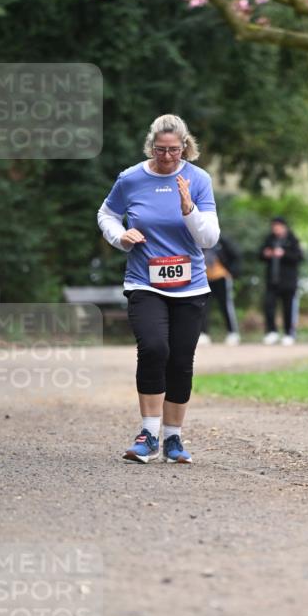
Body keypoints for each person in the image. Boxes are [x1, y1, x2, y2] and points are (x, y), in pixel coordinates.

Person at [97, 114, 219, 464]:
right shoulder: (131, 178)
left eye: (175, 151)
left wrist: (189, 210)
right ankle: (148, 434)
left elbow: (210, 238)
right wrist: (120, 236)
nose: (167, 157)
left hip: (190, 286)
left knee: (181, 360)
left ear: (186, 147)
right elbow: (105, 214)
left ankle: (174, 439)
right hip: (144, 281)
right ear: (151, 146)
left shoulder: (198, 180)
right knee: (153, 348)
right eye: (160, 149)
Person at [260, 216, 303, 346]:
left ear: (284, 227)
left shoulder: (292, 240)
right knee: (269, 306)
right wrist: (265, 254)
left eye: (278, 226)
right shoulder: (270, 239)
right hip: (272, 281)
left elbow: (299, 257)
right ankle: (271, 332)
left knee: (288, 308)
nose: (275, 229)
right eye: (274, 227)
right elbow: (260, 254)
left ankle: (289, 333)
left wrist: (284, 254)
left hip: (288, 282)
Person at [198, 237, 242, 346]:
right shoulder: (199, 240)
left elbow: (236, 256)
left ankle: (233, 333)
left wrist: (232, 272)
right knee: (203, 306)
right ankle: (203, 333)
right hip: (205, 278)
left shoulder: (222, 242)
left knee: (226, 305)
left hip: (222, 278)